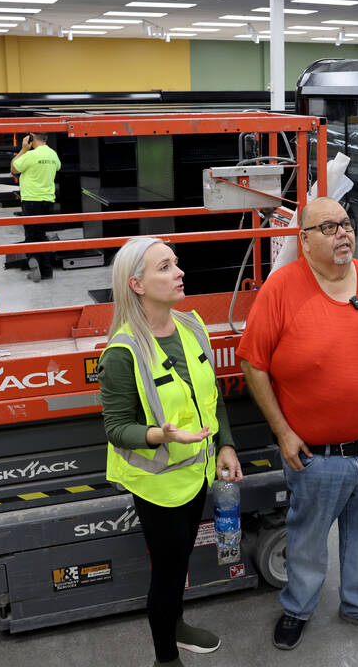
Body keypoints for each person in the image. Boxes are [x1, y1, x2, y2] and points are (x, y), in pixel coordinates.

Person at [237, 197, 358, 651]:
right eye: (328, 227)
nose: (343, 233)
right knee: (306, 541)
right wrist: (282, 431)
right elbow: (253, 364)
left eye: (346, 224)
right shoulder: (281, 290)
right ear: (303, 239)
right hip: (318, 459)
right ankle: (298, 607)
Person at [98, 236, 243, 667]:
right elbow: (116, 428)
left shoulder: (193, 326)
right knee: (166, 572)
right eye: (165, 267)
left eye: (176, 264)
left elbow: (211, 395)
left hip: (197, 474)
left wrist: (225, 445)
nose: (179, 272)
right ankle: (166, 657)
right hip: (157, 486)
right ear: (137, 284)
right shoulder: (122, 353)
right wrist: (160, 436)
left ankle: (176, 624)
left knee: (179, 560)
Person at [10, 132, 61, 282]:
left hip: (32, 199)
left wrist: (23, 150)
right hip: (48, 200)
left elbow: (14, 168)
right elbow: (57, 167)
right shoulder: (53, 154)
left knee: (32, 235)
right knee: (41, 234)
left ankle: (34, 261)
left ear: (31, 138)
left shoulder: (30, 155)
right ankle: (46, 270)